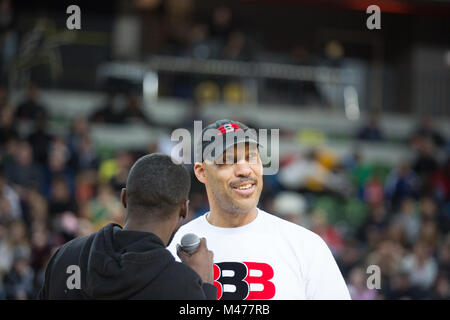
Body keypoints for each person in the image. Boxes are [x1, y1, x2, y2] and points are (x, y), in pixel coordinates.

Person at [168, 119, 351, 300]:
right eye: (227, 161)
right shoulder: (176, 247)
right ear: (202, 172)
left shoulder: (306, 245)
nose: (244, 170)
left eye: (251, 157)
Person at [38, 153, 216, 300]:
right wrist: (204, 286)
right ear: (183, 209)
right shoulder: (182, 285)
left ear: (123, 198)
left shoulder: (66, 255)